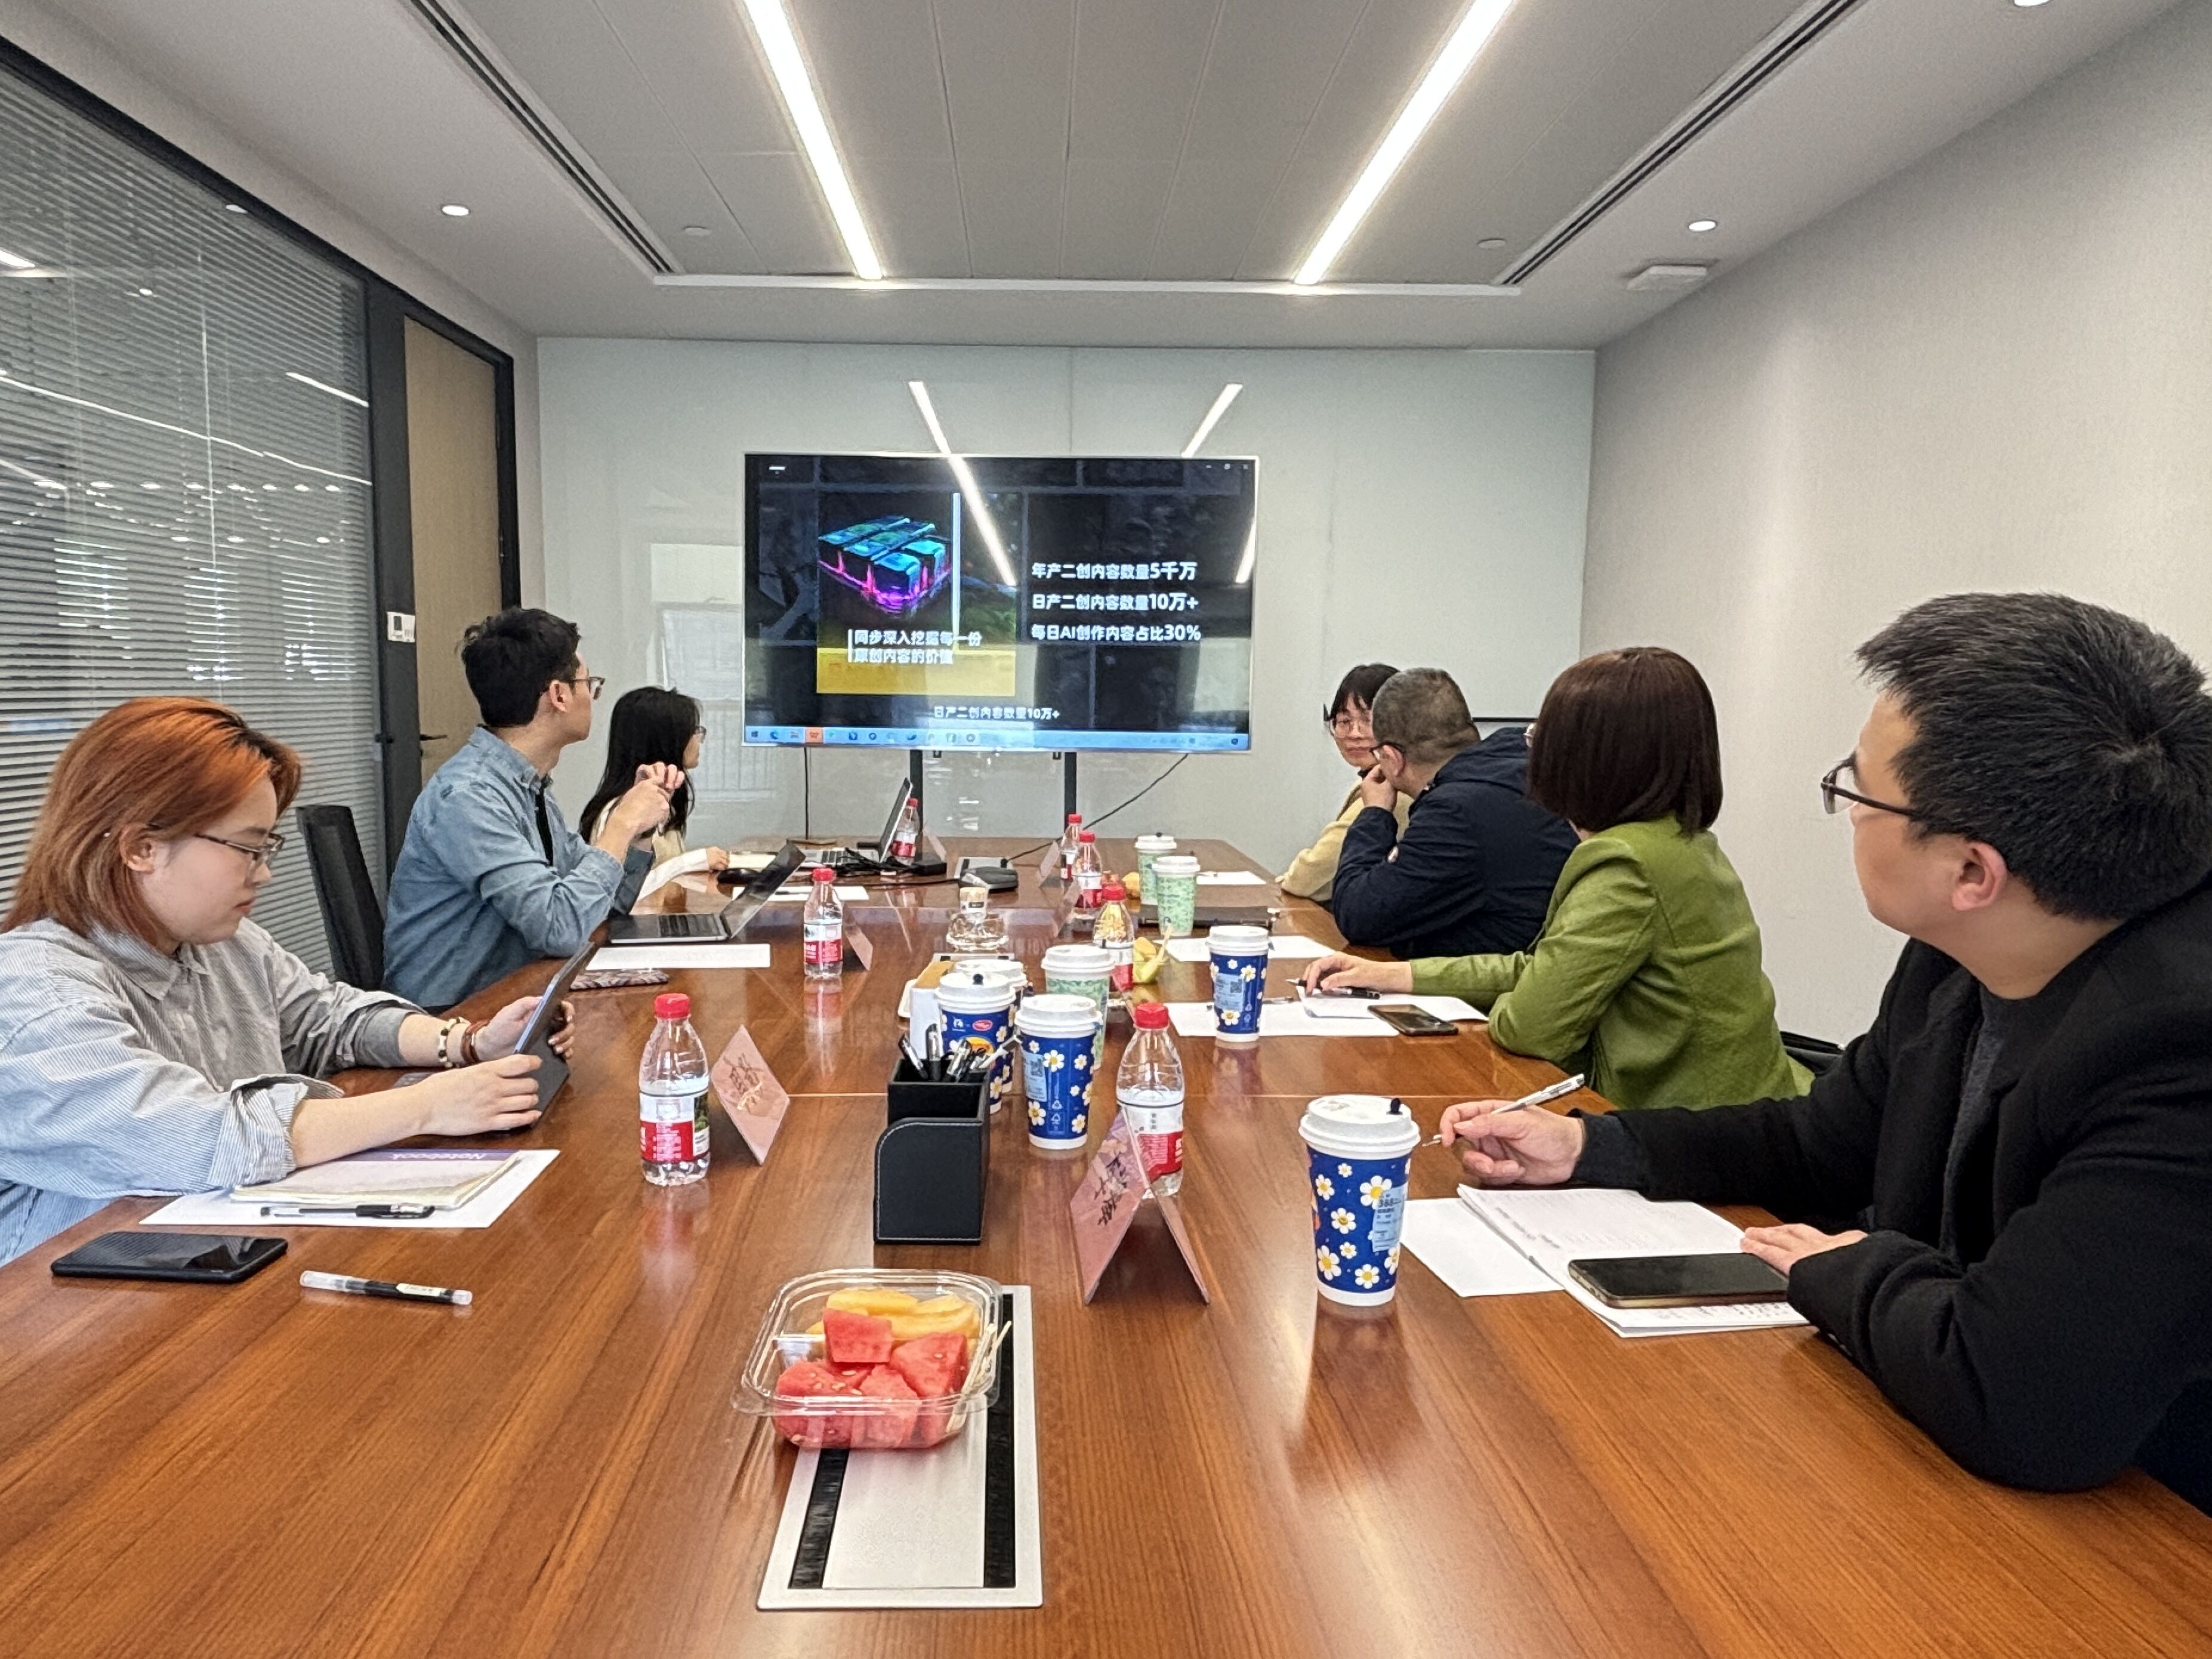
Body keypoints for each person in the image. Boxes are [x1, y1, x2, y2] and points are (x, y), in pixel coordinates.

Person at [1437, 593, 2212, 1512]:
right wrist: (1589, 1146)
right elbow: (1822, 1142)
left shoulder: (2177, 1047)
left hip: (2141, 1528)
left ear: (1971, 871)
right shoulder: (1960, 952)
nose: (1841, 807)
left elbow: (2022, 1400)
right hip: (1924, 1440)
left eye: (1856, 790)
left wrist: (1845, 1266)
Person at [0, 698, 562, 1266]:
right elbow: (190, 1135)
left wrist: (466, 1042)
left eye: (266, 848)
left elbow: (328, 1019)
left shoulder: (221, 942)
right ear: (140, 848)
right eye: (248, 849)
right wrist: (424, 1108)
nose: (264, 873)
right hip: (64, 1289)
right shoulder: (34, 987)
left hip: (205, 1251)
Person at [1305, 649, 1807, 1109]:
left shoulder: (1624, 865)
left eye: (1543, 739)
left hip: (1693, 1133)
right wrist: (1398, 976)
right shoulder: (1679, 841)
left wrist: (1509, 996)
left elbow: (1529, 1027)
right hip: (1741, 1109)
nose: (1531, 755)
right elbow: (1545, 968)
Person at [383, 609, 679, 1009]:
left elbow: (600, 906)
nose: (592, 697)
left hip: (519, 997)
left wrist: (640, 833)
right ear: (559, 695)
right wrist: (621, 824)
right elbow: (560, 928)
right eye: (588, 684)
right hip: (454, 1015)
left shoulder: (527, 785)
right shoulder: (470, 797)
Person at [1326, 667, 1576, 960]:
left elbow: (1359, 914)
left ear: (1392, 759)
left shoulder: (1454, 814)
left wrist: (1375, 813)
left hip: (1507, 977)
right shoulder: (1518, 752)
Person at [1279, 663, 1409, 903]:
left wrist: (1289, 878)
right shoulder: (1376, 781)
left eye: (1368, 720)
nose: (1355, 734)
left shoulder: (1397, 791)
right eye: (1344, 721)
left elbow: (1307, 877)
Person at [580, 687, 730, 872]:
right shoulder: (622, 813)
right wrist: (696, 860)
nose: (699, 739)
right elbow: (631, 884)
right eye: (694, 731)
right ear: (668, 740)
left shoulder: (661, 803)